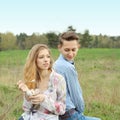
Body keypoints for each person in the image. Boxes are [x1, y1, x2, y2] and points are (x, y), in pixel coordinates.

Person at [53, 31, 101, 120]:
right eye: (67, 50)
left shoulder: (56, 64)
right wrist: (80, 111)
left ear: (78, 47)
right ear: (59, 48)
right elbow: (76, 94)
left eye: (73, 50)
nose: (71, 54)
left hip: (58, 111)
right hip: (68, 114)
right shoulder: (67, 67)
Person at [17, 44, 66, 120]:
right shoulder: (31, 78)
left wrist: (44, 99)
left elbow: (62, 109)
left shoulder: (59, 79)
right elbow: (27, 109)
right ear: (34, 60)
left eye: (48, 56)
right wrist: (27, 95)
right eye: (41, 57)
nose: (46, 60)